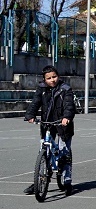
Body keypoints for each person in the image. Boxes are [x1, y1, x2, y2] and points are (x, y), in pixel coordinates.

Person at [23, 66, 76, 195]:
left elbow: (69, 105)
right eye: (49, 78)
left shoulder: (65, 89)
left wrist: (67, 117)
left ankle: (67, 180)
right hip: (47, 123)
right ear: (44, 79)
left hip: (63, 124)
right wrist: (30, 115)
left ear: (58, 76)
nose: (52, 80)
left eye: (54, 77)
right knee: (44, 151)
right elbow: (35, 102)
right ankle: (39, 180)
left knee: (65, 152)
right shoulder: (41, 89)